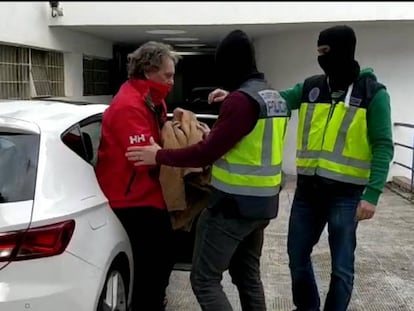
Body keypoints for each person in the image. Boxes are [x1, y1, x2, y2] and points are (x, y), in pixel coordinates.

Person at [208, 25, 394, 311]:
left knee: (342, 265)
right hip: (308, 192)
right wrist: (237, 95)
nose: (320, 57)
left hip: (347, 194)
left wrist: (372, 194)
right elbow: (274, 100)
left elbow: (383, 144)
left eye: (326, 51)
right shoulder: (311, 87)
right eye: (318, 52)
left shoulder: (373, 94)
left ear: (344, 50)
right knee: (296, 256)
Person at [125, 29, 290, 311]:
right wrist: (232, 100)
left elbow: (206, 153)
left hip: (232, 207)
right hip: (263, 205)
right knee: (247, 275)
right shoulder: (272, 97)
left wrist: (160, 155)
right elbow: (249, 136)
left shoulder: (241, 102)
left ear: (231, 63)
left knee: (204, 280)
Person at [95, 41, 180, 311]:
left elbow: (156, 147)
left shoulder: (152, 100)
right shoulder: (128, 106)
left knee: (162, 260)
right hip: (131, 200)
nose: (172, 81)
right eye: (167, 75)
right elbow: (144, 158)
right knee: (152, 267)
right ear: (148, 72)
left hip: (147, 194)